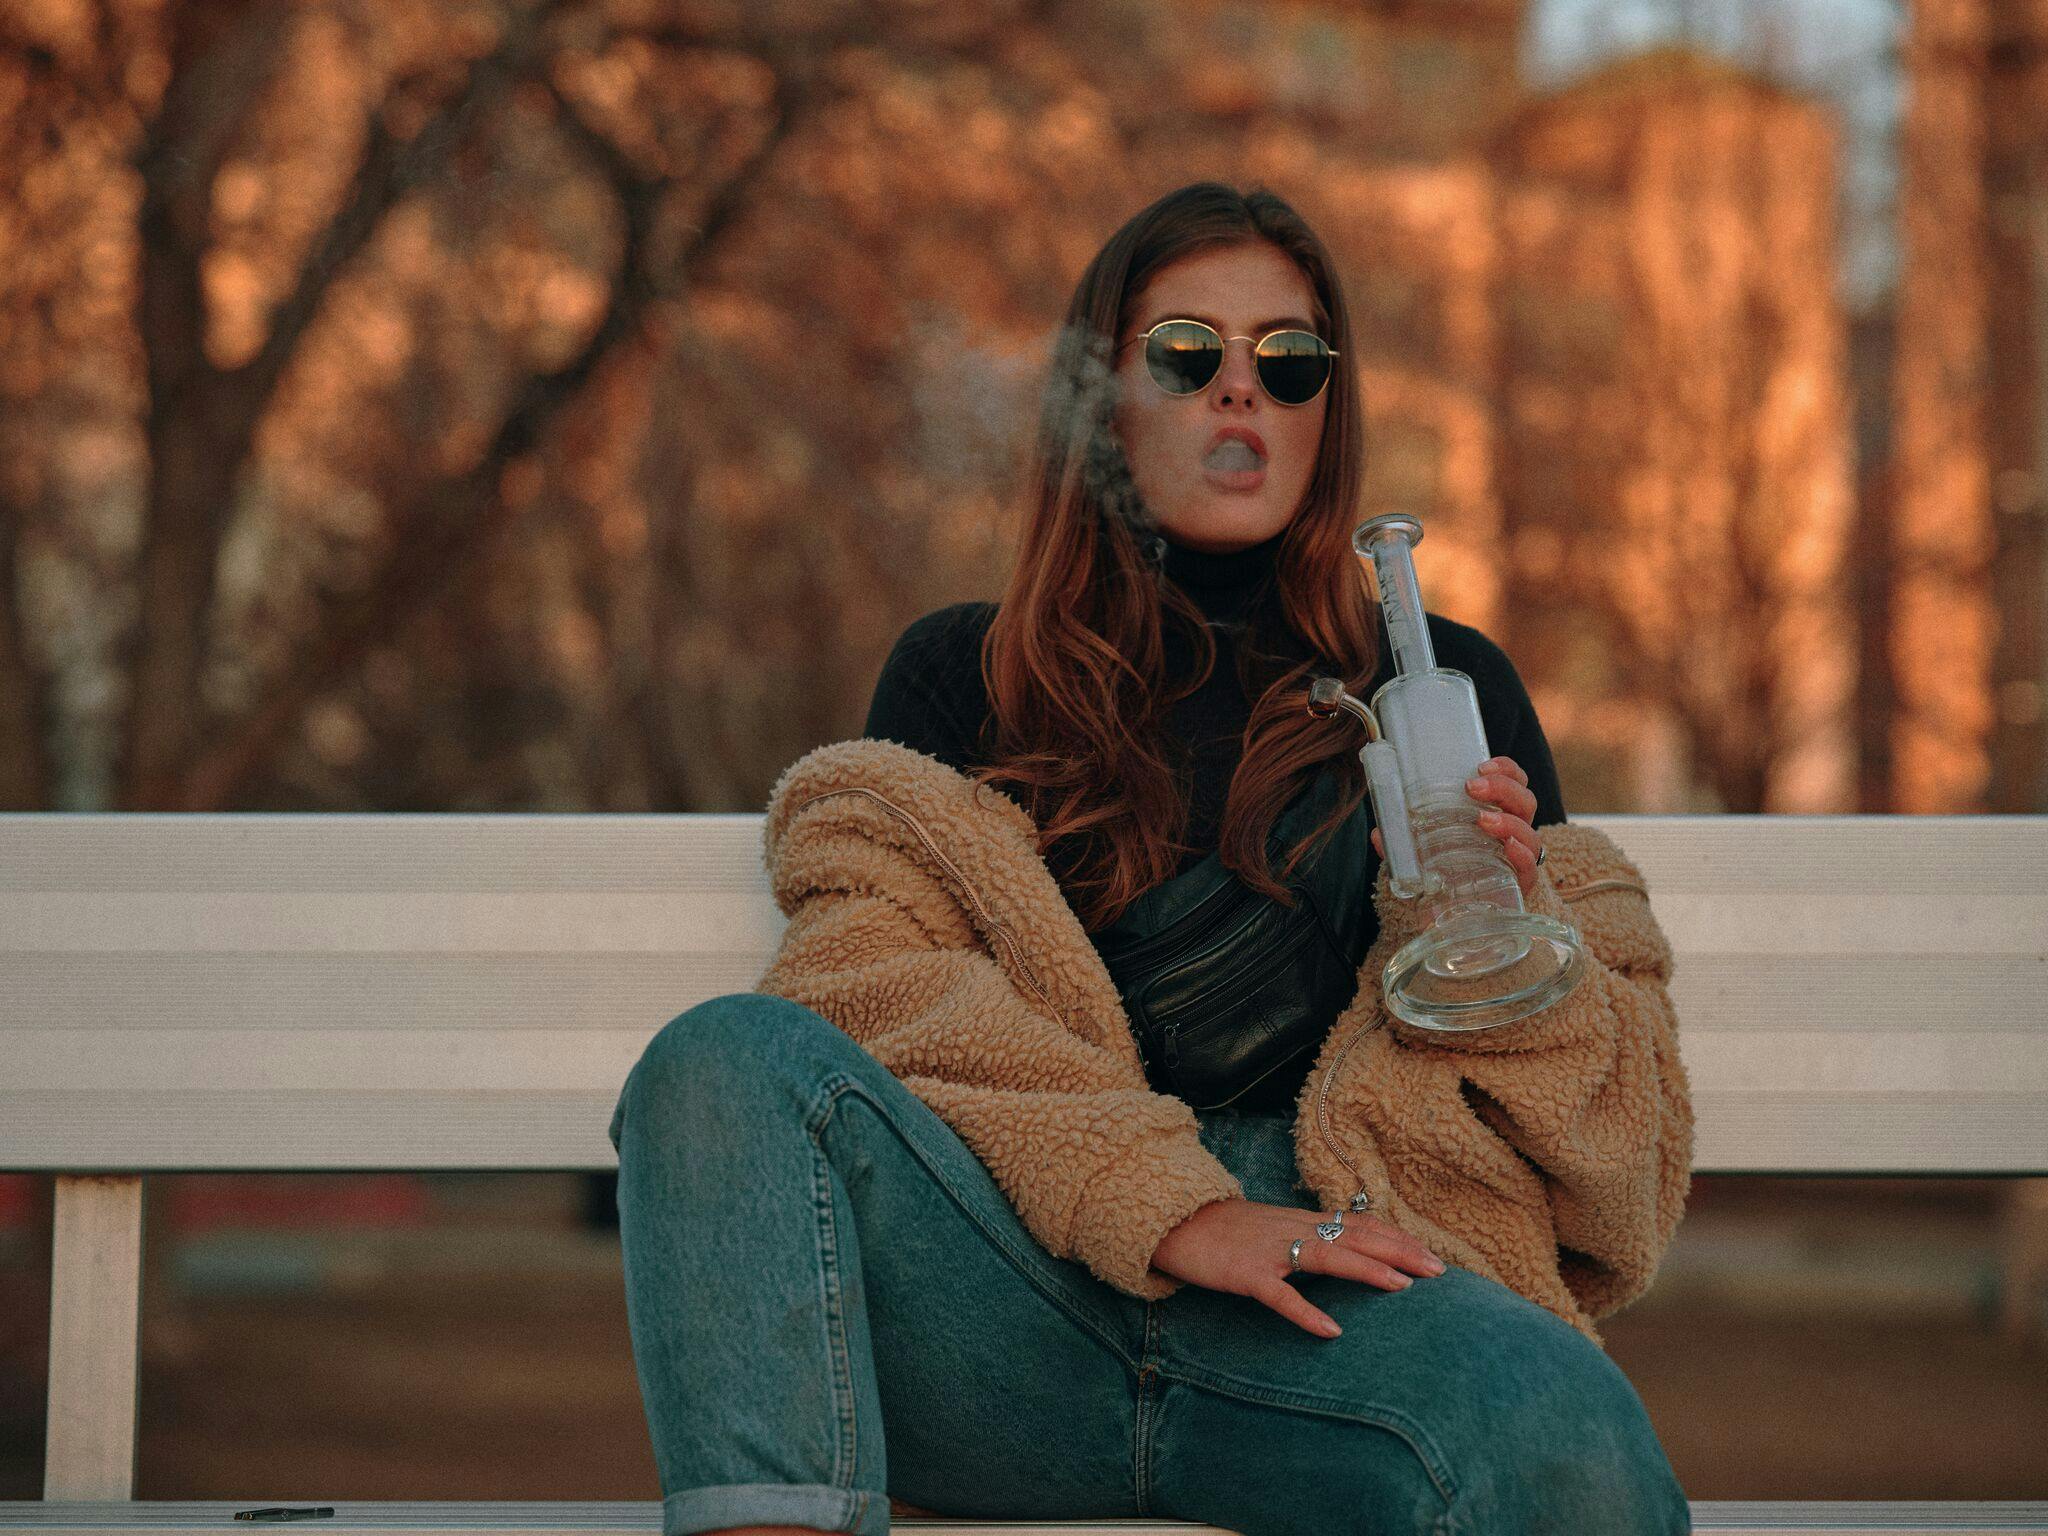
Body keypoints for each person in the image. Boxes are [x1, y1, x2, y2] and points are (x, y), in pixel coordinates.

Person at [609, 181, 1695, 1536]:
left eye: (1286, 363)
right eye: (1189, 354)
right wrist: (1180, 1212)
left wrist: (1511, 927)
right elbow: (868, 985)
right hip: (1009, 1307)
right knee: (721, 1061)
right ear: (1106, 397)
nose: (1240, 393)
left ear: (1325, 412)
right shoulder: (968, 674)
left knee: (1570, 1434)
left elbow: (1615, 1181)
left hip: (1328, 1316)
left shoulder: (1441, 684)